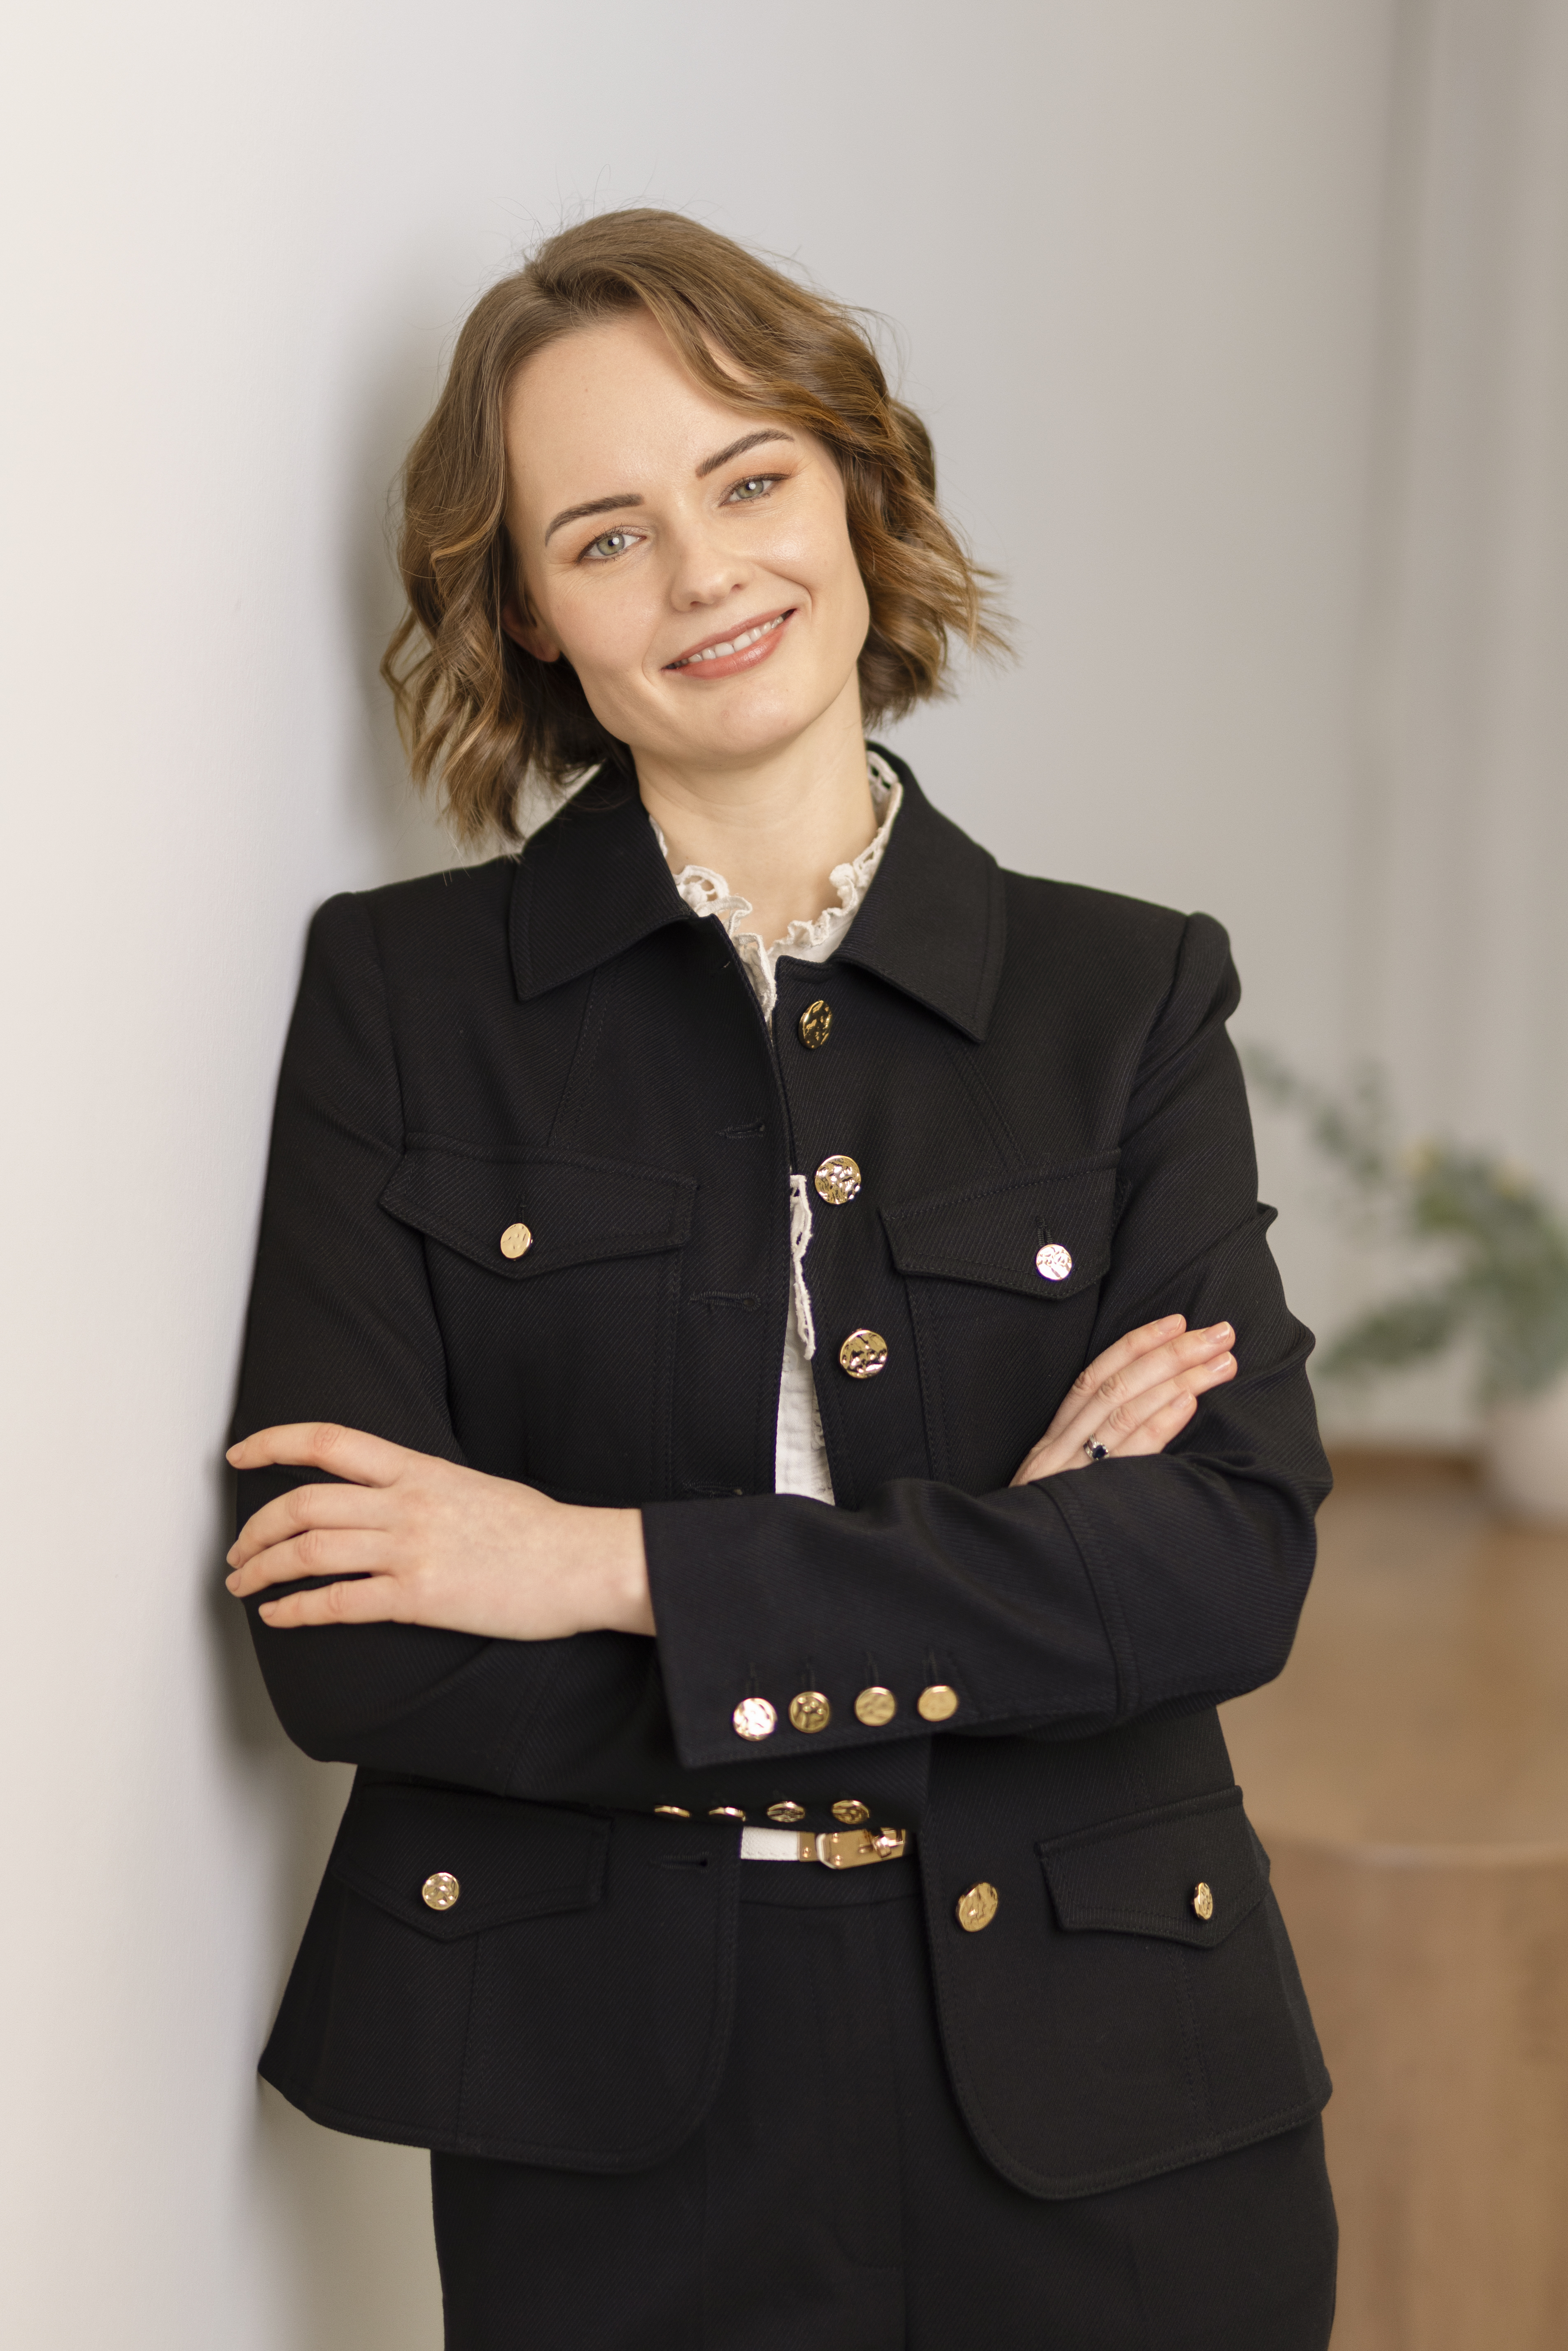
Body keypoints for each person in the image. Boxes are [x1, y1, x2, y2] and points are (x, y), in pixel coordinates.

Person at [226, 209, 1337, 2349]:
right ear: (529, 612)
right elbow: (351, 1637)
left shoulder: (1122, 996)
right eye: (606, 532)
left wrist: (591, 1563)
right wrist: (1015, 1580)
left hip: (1120, 2102)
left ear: (849, 487)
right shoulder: (400, 1000)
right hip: (610, 2116)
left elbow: (1221, 1570)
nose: (707, 574)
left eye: (746, 481)